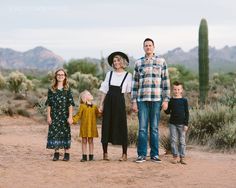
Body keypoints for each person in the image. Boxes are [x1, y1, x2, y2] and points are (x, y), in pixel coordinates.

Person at [131, 38, 170, 163]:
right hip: (142, 100)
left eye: (150, 45)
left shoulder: (161, 61)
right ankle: (141, 154)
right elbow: (135, 83)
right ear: (143, 48)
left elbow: (165, 82)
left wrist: (166, 99)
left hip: (156, 99)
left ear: (153, 47)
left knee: (154, 128)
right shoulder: (138, 63)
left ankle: (154, 154)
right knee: (142, 128)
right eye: (146, 45)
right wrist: (133, 101)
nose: (148, 47)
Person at [99, 51, 132, 161]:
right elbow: (104, 90)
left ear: (122, 62)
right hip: (108, 101)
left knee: (121, 126)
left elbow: (129, 93)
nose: (116, 62)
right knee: (106, 125)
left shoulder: (128, 75)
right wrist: (101, 105)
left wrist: (133, 104)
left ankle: (124, 154)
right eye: (114, 61)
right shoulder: (109, 74)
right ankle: (105, 153)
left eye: (118, 60)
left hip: (120, 102)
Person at [45, 68, 75, 161]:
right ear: (56, 76)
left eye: (62, 75)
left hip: (65, 115)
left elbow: (70, 104)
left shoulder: (67, 89)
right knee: (55, 133)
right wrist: (48, 116)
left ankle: (67, 154)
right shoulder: (51, 89)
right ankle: (56, 153)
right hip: (54, 115)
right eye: (58, 75)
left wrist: (70, 116)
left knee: (66, 133)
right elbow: (49, 104)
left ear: (65, 76)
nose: (60, 76)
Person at [164, 81, 189, 165]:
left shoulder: (184, 101)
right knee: (173, 140)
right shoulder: (171, 100)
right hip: (172, 124)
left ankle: (182, 157)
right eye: (175, 89)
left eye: (178, 89)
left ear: (181, 90)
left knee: (182, 141)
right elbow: (168, 112)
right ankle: (175, 156)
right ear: (172, 90)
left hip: (182, 124)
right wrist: (164, 107)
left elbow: (187, 113)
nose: (176, 91)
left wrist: (186, 124)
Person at [73, 90, 100, 162]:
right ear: (84, 98)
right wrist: (73, 120)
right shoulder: (82, 106)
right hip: (84, 127)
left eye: (90, 93)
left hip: (92, 126)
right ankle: (84, 156)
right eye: (88, 94)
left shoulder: (94, 107)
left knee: (91, 141)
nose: (90, 95)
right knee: (84, 141)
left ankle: (91, 156)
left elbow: (98, 115)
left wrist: (101, 111)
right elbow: (78, 115)